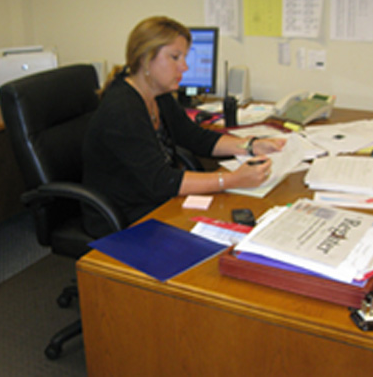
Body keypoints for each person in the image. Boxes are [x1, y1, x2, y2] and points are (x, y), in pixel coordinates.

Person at [82, 16, 286, 229]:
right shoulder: (123, 109)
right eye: (175, 57)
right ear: (145, 58)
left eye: (184, 57)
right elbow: (162, 182)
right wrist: (233, 179)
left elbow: (195, 137)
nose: (185, 67)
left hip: (157, 200)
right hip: (126, 216)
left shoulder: (157, 93)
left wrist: (250, 145)